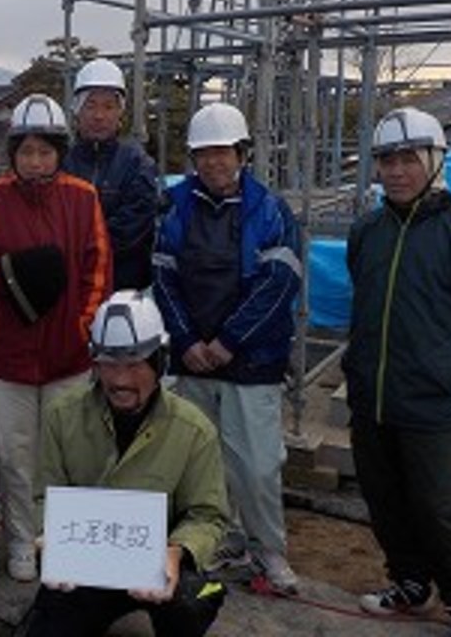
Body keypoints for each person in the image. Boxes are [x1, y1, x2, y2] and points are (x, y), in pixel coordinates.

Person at [0, 94, 112, 581]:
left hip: (69, 356)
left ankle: (62, 542)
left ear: (59, 152)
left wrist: (82, 327)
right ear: (13, 153)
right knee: (16, 455)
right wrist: (9, 277)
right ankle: (22, 540)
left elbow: (98, 270)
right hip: (7, 356)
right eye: (27, 151)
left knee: (67, 456)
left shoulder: (83, 197)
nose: (36, 161)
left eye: (45, 151)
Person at [343, 107, 451, 635]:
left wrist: (449, 364)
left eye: (409, 159)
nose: (397, 171)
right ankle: (410, 581)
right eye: (387, 161)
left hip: (430, 400)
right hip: (370, 396)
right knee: (384, 499)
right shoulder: (367, 231)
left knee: (439, 508)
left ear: (434, 160)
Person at [152, 102, 301, 592]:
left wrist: (228, 341)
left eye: (223, 152)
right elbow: (164, 278)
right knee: (202, 464)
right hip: (194, 361)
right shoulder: (176, 206)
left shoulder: (269, 209)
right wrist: (188, 341)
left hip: (251, 361)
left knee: (257, 467)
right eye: (204, 154)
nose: (214, 162)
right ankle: (219, 540)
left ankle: (269, 551)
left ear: (241, 153)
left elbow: (278, 284)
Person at [24, 290, 228, 637]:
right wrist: (49, 540)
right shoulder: (62, 416)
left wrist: (176, 553)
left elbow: (207, 515)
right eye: (109, 363)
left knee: (196, 601)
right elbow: (42, 495)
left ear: (159, 361)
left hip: (160, 570)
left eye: (134, 365)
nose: (120, 380)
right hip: (84, 570)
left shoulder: (195, 430)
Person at [65, 58, 158, 291]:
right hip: (71, 288)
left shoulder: (137, 164)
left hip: (123, 288)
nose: (99, 115)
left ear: (120, 112)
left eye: (108, 107)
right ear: (77, 110)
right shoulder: (61, 162)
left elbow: (133, 227)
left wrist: (82, 247)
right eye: (91, 105)